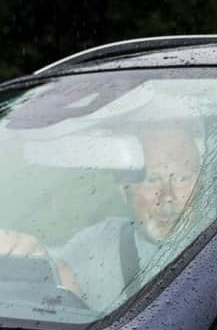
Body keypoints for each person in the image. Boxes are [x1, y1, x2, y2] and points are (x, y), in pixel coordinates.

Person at [0, 129, 201, 311]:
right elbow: (60, 283)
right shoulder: (102, 243)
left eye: (182, 178)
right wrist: (25, 255)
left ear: (202, 180)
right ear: (124, 190)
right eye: (152, 180)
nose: (167, 196)